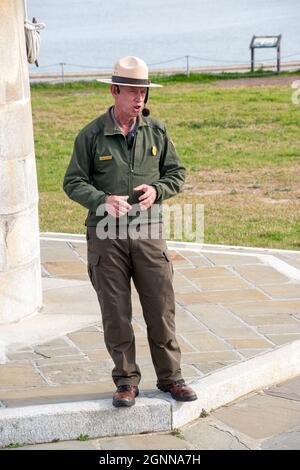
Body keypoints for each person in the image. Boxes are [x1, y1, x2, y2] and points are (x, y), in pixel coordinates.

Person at [63, 56, 197, 407]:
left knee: (161, 307)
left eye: (144, 92)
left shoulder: (157, 132)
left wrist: (158, 191)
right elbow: (72, 181)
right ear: (114, 91)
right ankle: (126, 381)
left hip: (149, 233)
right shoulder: (91, 135)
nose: (140, 99)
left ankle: (172, 378)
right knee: (116, 312)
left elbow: (176, 173)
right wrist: (101, 200)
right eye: (133, 92)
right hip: (105, 238)